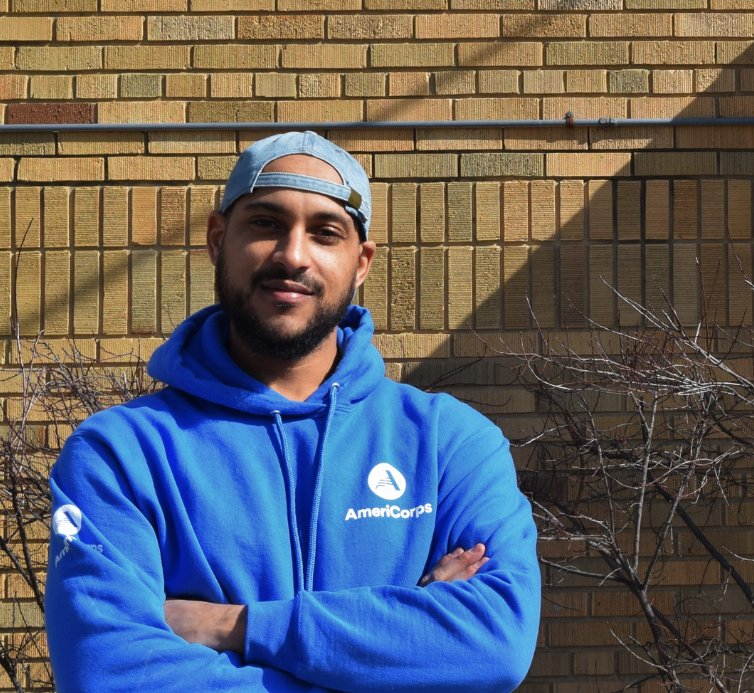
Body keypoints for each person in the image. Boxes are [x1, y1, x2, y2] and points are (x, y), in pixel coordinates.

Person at [45, 131, 540, 693]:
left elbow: (495, 644)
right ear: (217, 239)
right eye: (265, 224)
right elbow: (110, 675)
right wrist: (399, 646)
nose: (293, 255)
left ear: (361, 263)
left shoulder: (450, 443)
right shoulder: (120, 454)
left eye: (325, 233)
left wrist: (234, 626)